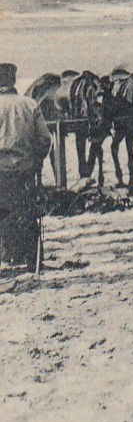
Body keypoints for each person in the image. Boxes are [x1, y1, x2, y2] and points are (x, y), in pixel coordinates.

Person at [0, 62, 52, 272]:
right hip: (25, 170)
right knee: (27, 212)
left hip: (0, 171)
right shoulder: (29, 105)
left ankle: (7, 258)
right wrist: (36, 161)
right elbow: (45, 139)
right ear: (13, 80)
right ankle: (32, 259)